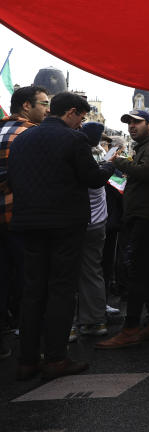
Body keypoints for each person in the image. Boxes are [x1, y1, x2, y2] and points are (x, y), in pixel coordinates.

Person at [8, 91, 115, 379]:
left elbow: (14, 179)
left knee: (32, 292)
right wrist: (109, 165)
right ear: (70, 112)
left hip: (26, 223)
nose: (81, 124)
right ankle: (56, 358)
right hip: (64, 225)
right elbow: (92, 178)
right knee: (61, 289)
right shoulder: (74, 139)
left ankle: (27, 360)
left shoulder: (23, 140)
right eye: (80, 117)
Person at [97, 110, 149, 349]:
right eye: (128, 123)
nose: (131, 126)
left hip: (147, 217)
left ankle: (131, 328)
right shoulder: (147, 145)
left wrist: (116, 161)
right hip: (144, 216)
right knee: (148, 270)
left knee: (138, 271)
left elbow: (147, 173)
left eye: (136, 122)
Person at [0, 86, 49, 358]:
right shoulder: (31, 135)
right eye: (43, 104)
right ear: (27, 106)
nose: (48, 110)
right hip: (22, 218)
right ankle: (34, 350)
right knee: (32, 282)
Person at [72, 122, 111, 340]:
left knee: (65, 273)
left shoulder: (81, 157)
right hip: (98, 223)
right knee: (92, 271)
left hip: (77, 222)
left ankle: (68, 325)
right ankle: (96, 321)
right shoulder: (101, 156)